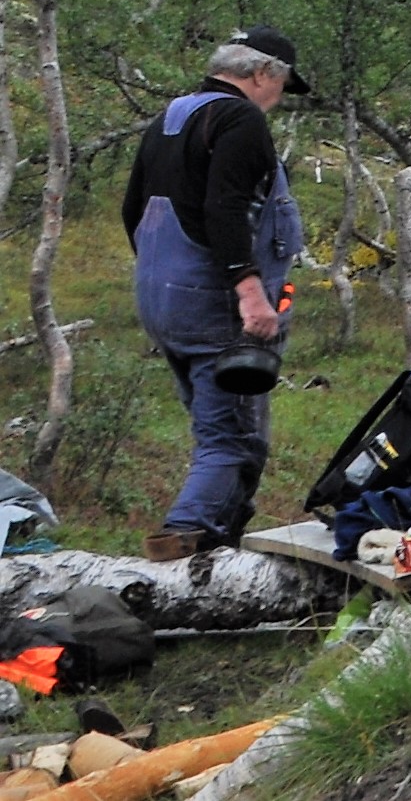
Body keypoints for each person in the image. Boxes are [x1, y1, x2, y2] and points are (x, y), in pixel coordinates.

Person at [121, 28, 311, 563]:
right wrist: (250, 295)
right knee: (232, 438)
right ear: (261, 74)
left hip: (163, 304)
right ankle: (183, 550)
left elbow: (133, 210)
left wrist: (166, 283)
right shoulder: (240, 120)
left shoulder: (173, 115)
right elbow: (225, 210)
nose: (277, 99)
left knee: (215, 430)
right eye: (280, 86)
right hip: (217, 310)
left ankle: (221, 549)